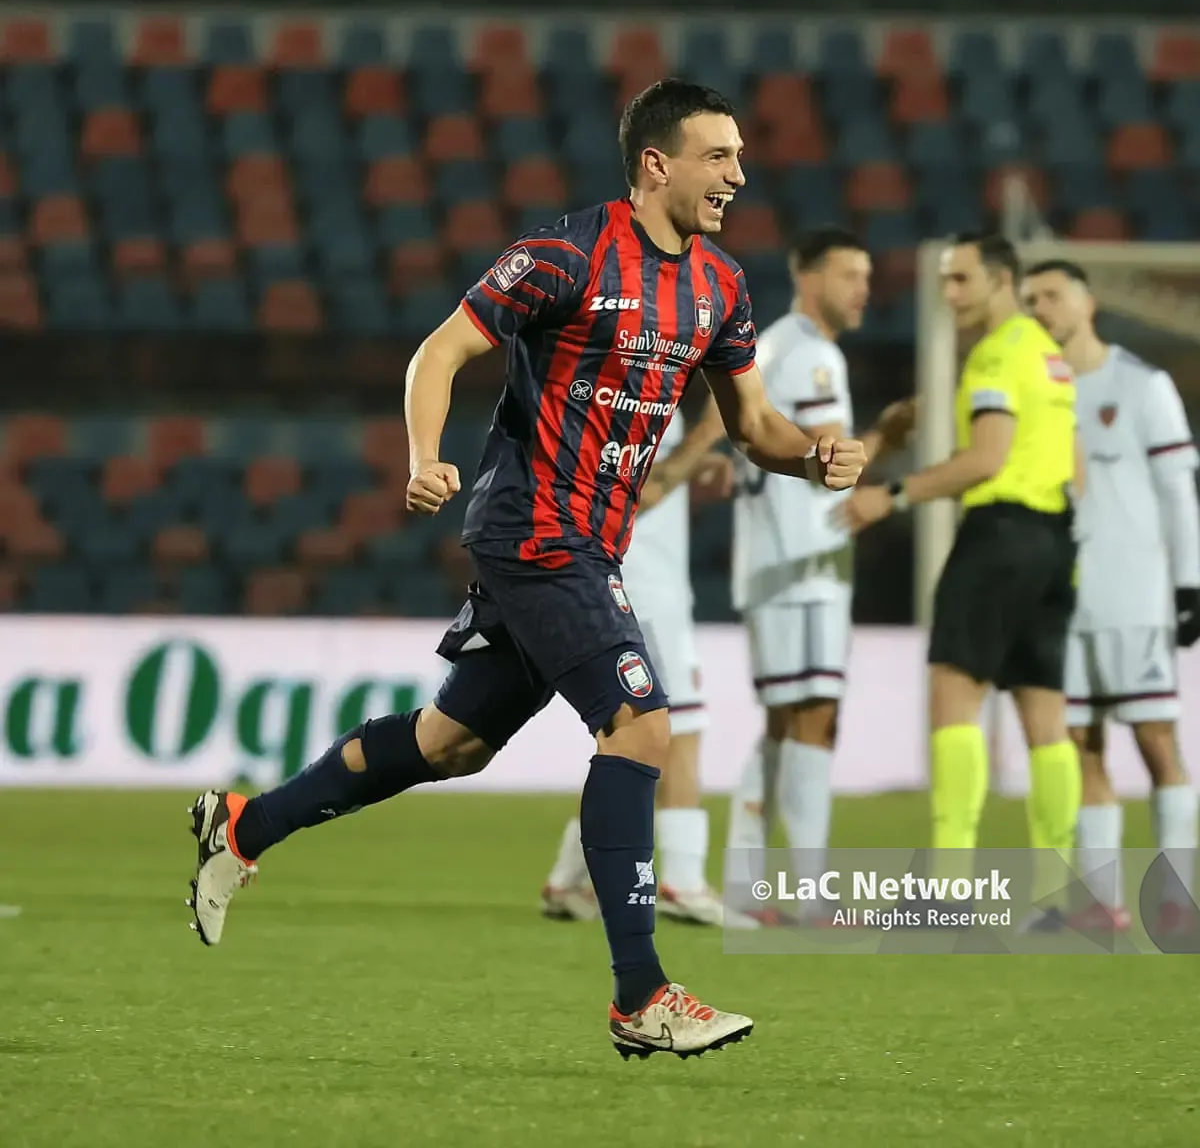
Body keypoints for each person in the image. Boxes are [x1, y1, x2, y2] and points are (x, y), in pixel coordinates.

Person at [186, 79, 867, 1059]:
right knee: (641, 726)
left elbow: (754, 424)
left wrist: (812, 453)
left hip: (592, 541)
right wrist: (424, 456)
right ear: (657, 163)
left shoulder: (721, 286)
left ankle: (244, 827)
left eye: (741, 156)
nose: (739, 175)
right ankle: (643, 996)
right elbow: (442, 351)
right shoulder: (565, 252)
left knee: (452, 743)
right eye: (719, 156)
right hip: (537, 531)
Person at [840, 232, 1081, 931]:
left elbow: (986, 458)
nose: (949, 294)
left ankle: (947, 888)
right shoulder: (1048, 354)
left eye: (961, 280)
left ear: (1002, 280)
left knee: (954, 695)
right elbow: (1067, 459)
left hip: (1000, 533)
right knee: (1044, 713)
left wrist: (895, 494)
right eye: (946, 280)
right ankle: (1057, 893)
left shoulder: (1001, 352)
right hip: (1053, 535)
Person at [719, 228, 915, 926]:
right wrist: (891, 435)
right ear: (808, 277)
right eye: (849, 274)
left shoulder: (771, 348)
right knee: (813, 717)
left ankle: (746, 884)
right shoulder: (812, 355)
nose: (864, 288)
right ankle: (809, 894)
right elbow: (837, 465)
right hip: (803, 565)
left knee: (785, 720)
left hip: (777, 562)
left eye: (867, 275)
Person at [1022, 259, 1200, 935]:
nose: (1041, 308)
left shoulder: (1140, 384)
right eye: (1032, 298)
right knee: (1083, 743)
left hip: (1134, 596)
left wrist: (1189, 583)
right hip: (1066, 600)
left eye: (1053, 295)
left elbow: (1178, 491)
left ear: (1087, 302)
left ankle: (1176, 896)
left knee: (1156, 738)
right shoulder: (1038, 389)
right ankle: (1104, 903)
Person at [540, 400, 746, 928]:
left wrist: (693, 456)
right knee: (682, 728)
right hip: (644, 588)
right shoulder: (628, 388)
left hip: (645, 583)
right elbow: (632, 495)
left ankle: (570, 876)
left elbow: (643, 466)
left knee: (632, 740)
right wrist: (707, 436)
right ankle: (681, 878)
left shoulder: (631, 382)